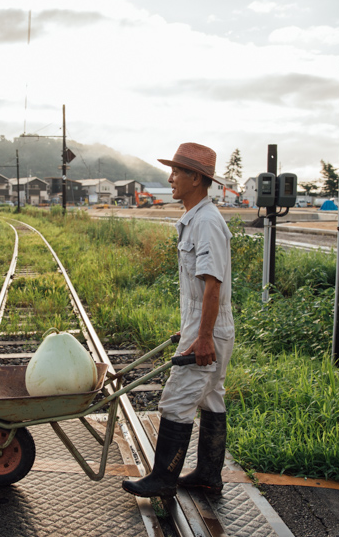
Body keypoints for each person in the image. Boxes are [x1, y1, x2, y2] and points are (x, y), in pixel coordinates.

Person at [122, 142, 234, 499]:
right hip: (205, 327)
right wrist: (191, 329)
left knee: (176, 400)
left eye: (176, 172)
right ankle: (207, 475)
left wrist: (203, 338)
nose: (170, 179)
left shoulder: (207, 222)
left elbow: (213, 286)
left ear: (196, 178)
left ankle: (163, 479)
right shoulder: (195, 219)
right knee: (212, 396)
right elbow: (199, 292)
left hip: (209, 331)